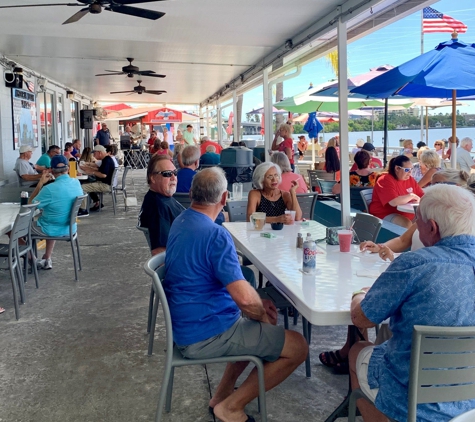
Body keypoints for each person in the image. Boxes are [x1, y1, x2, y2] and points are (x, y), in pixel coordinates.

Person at [164, 167, 308, 422]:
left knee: (253, 320)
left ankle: (221, 395)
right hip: (204, 333)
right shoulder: (216, 234)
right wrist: (262, 314)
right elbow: (244, 299)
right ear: (224, 197)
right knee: (298, 346)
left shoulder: (182, 220)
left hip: (190, 323)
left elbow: (242, 298)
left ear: (192, 194)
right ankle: (231, 407)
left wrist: (257, 310)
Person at [349, 184, 475, 422]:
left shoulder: (415, 264)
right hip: (469, 403)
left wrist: (360, 295)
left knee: (358, 349)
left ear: (432, 227)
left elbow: (362, 317)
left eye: (417, 221)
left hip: (413, 402)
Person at [139, 155, 256, 285]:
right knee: (246, 275)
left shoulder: (162, 198)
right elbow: (159, 253)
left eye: (175, 172)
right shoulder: (157, 207)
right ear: (152, 178)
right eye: (167, 174)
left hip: (195, 258)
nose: (173, 178)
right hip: (191, 275)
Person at [29, 155, 83, 270]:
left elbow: (30, 206)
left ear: (51, 171)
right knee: (52, 217)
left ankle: (32, 259)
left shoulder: (49, 189)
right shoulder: (76, 183)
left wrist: (40, 183)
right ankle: (47, 258)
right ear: (68, 168)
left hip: (51, 228)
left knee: (15, 230)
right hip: (70, 227)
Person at [369, 155, 424, 228]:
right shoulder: (385, 180)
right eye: (407, 170)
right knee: (406, 224)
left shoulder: (409, 179)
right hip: (385, 214)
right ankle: (407, 239)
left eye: (411, 169)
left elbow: (422, 195)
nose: (410, 173)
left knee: (427, 220)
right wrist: (411, 196)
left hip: (407, 214)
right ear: (397, 168)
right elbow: (394, 202)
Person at [78, 145, 116, 215]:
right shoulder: (106, 159)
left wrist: (92, 172)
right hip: (106, 183)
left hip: (105, 185)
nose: (94, 155)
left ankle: (83, 209)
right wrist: (89, 169)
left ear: (99, 153)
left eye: (94, 153)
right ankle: (96, 202)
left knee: (82, 188)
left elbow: (103, 175)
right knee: (87, 183)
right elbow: (99, 169)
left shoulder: (106, 160)